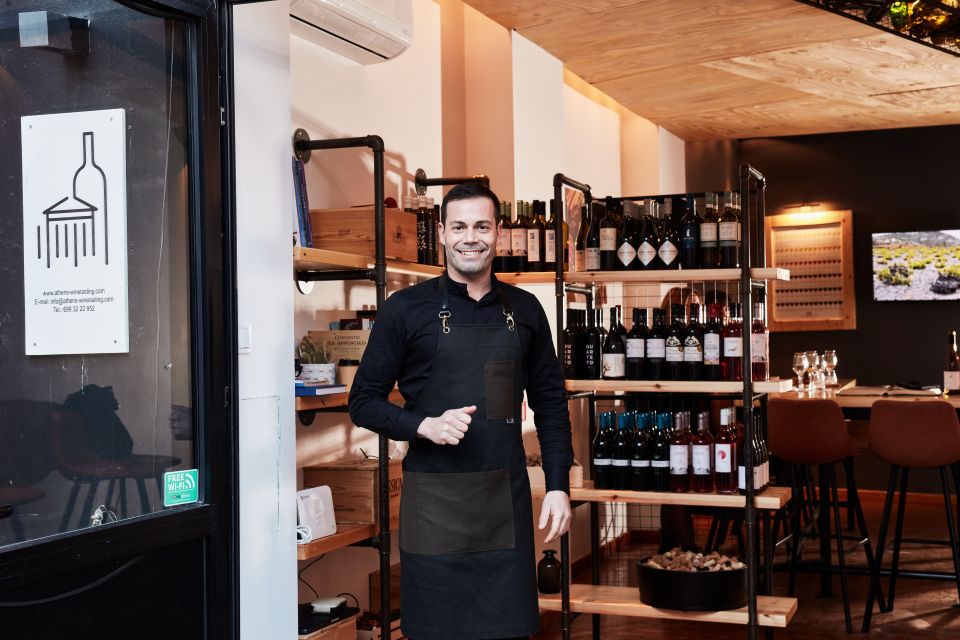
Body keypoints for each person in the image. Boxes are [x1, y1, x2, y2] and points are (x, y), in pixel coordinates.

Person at [348, 182, 573, 640]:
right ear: (443, 232)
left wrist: (557, 485)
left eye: (482, 226)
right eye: (460, 226)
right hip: (434, 508)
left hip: (503, 506)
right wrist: (423, 425)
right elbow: (363, 401)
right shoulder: (405, 310)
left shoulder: (526, 310)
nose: (471, 237)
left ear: (499, 232)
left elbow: (551, 403)